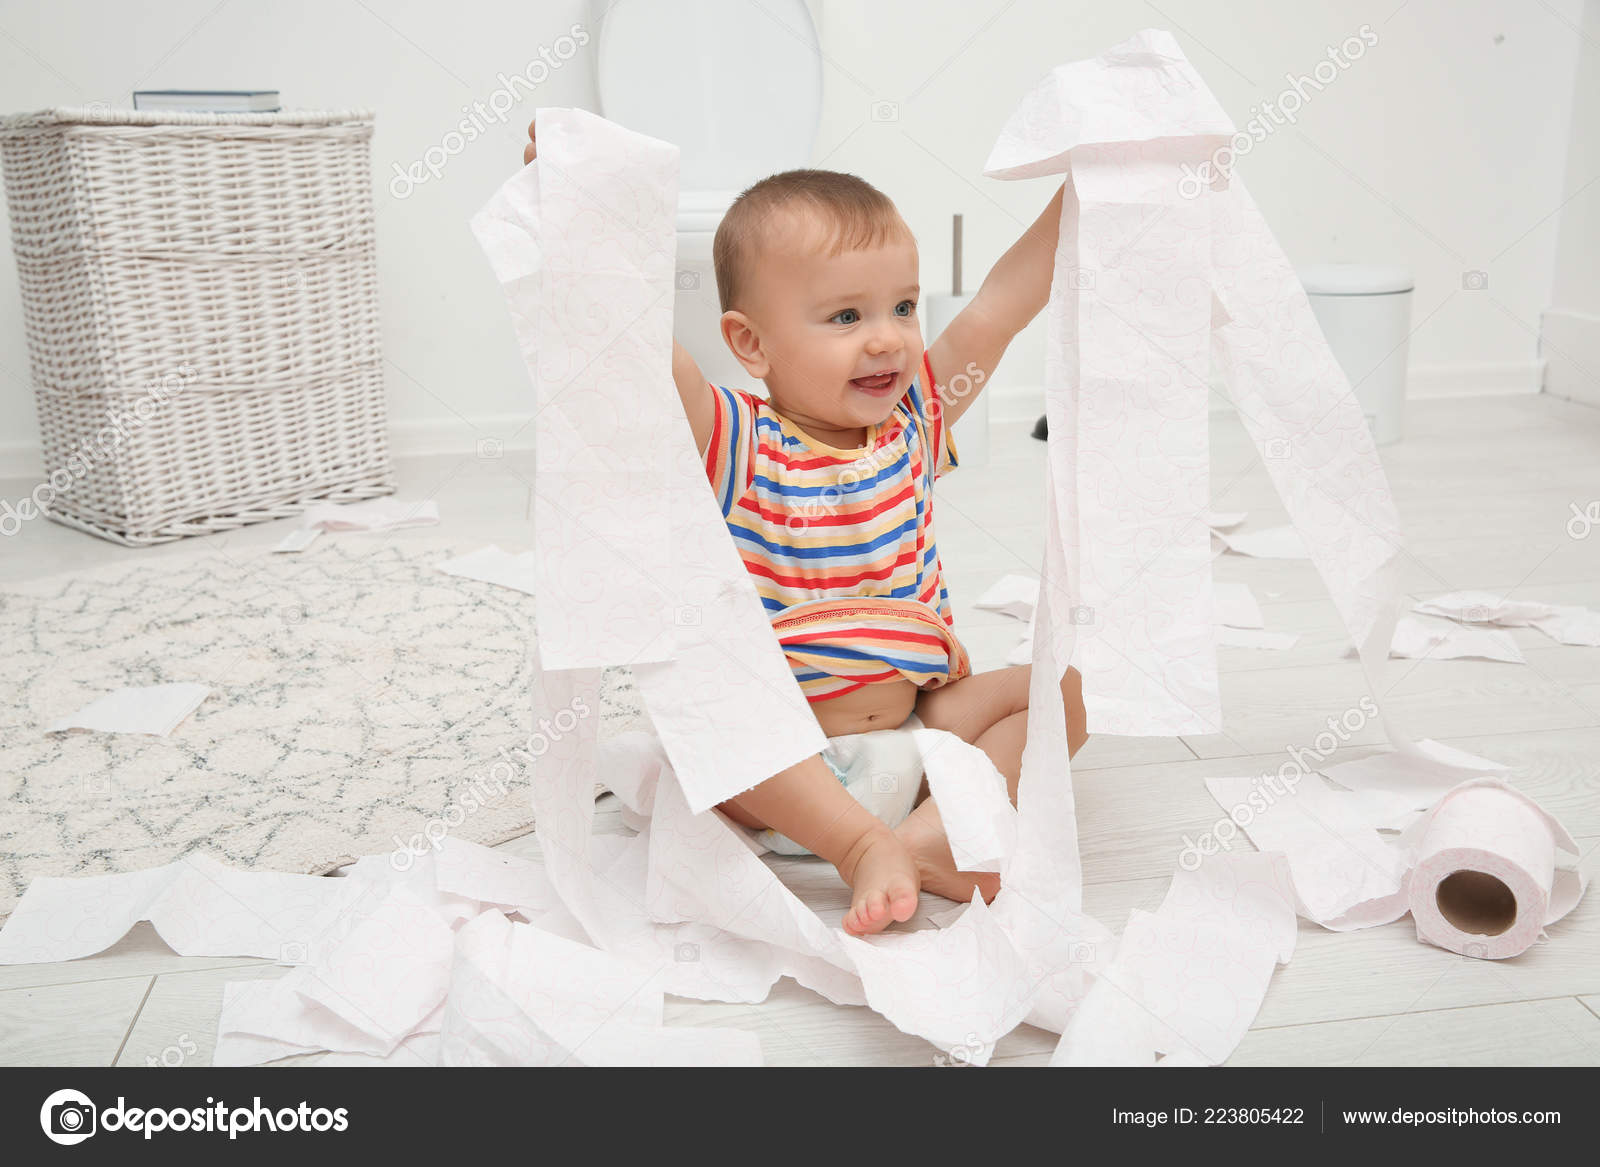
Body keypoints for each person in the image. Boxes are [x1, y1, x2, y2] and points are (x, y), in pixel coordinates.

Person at [523, 123, 1087, 937]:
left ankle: (929, 841)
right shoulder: (737, 440)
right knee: (710, 735)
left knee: (1075, 685)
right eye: (846, 315)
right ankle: (860, 845)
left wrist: (1095, 188)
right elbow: (637, 344)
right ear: (752, 343)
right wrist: (583, 217)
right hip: (785, 765)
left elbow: (1002, 304)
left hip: (918, 732)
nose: (888, 335)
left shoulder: (915, 422)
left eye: (901, 305)